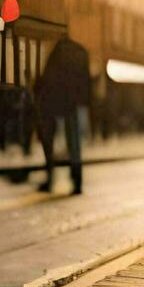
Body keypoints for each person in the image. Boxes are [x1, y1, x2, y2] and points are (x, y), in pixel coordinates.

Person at [35, 35, 91, 194]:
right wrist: (84, 102)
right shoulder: (81, 52)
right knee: (74, 143)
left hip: (56, 102)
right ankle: (77, 179)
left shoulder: (57, 52)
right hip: (75, 103)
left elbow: (49, 78)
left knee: (50, 140)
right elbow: (86, 81)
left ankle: (50, 177)